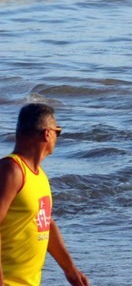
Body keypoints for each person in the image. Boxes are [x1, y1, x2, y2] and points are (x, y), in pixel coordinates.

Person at [0, 103, 88, 286]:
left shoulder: (39, 175)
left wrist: (70, 270)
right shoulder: (11, 170)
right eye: (58, 132)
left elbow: (45, 222)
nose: (57, 137)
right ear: (47, 133)